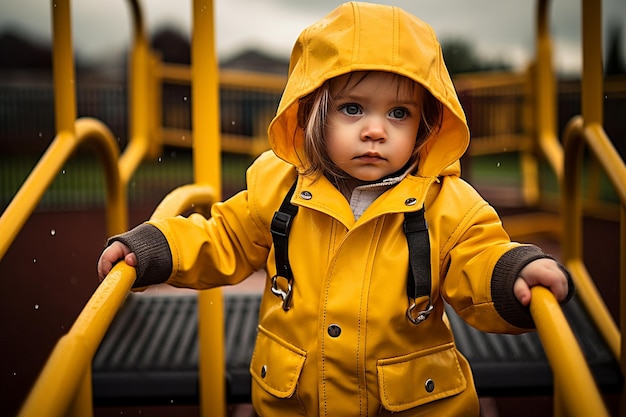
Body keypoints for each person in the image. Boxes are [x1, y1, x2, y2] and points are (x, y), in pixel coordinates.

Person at [97, 2, 573, 416]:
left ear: (425, 125)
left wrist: (514, 274)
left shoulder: (446, 206)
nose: (375, 130)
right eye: (352, 109)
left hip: (410, 403)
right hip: (296, 400)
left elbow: (478, 258)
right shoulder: (280, 188)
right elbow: (224, 235)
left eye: (398, 113)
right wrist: (158, 248)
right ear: (313, 114)